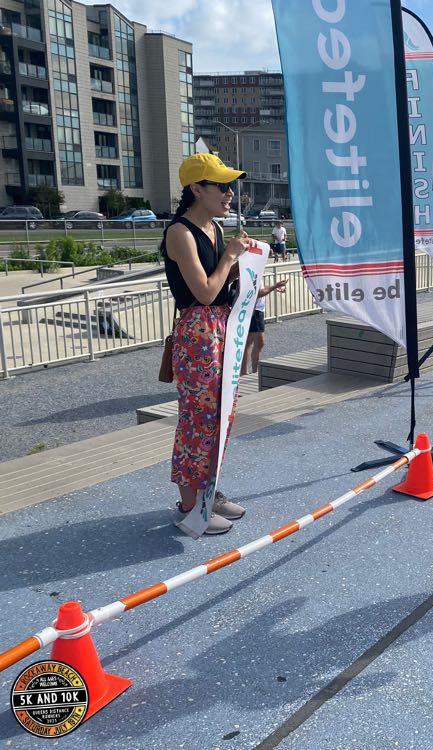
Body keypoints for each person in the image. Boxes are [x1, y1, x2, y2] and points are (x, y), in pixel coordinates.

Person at [162, 153, 250, 536]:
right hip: (198, 332)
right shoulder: (180, 233)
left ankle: (208, 493)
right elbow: (203, 292)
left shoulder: (212, 227)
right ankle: (188, 506)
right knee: (198, 419)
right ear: (197, 189)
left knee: (222, 414)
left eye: (230, 186)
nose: (230, 194)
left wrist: (251, 279)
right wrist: (230, 256)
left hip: (221, 326)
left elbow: (221, 287)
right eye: (222, 186)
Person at [241, 279, 289, 376]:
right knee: (259, 342)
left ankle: (245, 371)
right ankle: (253, 371)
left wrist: (274, 287)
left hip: (252, 308)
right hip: (255, 310)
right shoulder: (254, 271)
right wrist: (275, 286)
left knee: (249, 342)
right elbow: (258, 293)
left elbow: (259, 288)